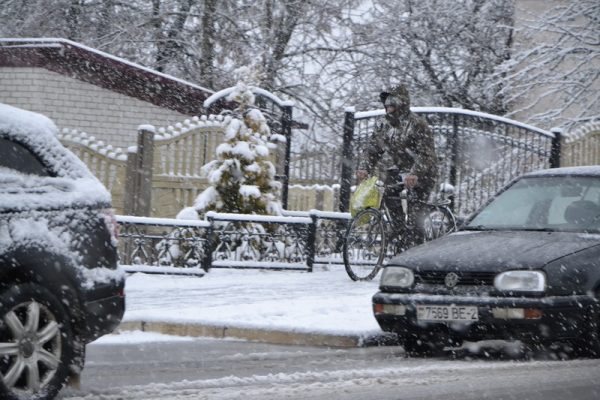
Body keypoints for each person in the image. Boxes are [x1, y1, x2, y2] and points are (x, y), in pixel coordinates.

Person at [356, 84, 438, 249]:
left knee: (416, 215)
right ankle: (399, 227)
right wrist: (364, 167)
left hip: (422, 173)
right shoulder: (384, 125)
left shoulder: (417, 124)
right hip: (400, 169)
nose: (388, 106)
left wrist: (415, 173)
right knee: (387, 191)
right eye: (386, 102)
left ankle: (418, 248)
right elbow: (373, 149)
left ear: (402, 102)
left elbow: (426, 154)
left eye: (392, 101)